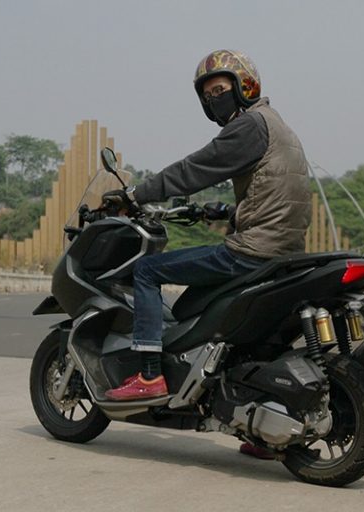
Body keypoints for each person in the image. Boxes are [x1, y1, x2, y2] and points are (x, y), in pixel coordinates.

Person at [103, 50, 311, 408]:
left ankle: (149, 376)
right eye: (208, 95)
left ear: (244, 85)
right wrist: (226, 212)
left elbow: (195, 169)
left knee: (147, 271)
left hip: (253, 250)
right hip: (284, 249)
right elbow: (274, 196)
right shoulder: (277, 125)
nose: (215, 99)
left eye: (220, 90)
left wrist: (134, 194)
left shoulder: (249, 125)